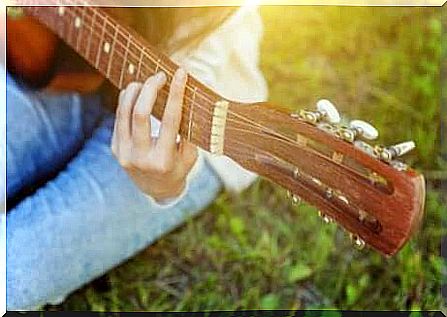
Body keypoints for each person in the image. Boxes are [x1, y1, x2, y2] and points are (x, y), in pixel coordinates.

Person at [5, 5, 268, 310]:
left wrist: (165, 181)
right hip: (63, 54)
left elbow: (201, 59)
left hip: (187, 106)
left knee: (13, 273)